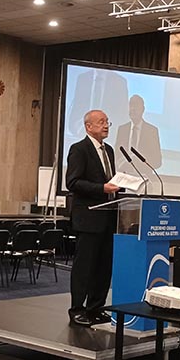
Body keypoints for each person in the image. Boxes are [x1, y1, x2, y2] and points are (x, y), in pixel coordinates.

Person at [66, 109, 120, 327]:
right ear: (88, 126)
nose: (106, 125)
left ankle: (96, 307)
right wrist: (102, 188)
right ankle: (77, 309)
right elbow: (73, 182)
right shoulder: (79, 149)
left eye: (107, 122)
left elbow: (108, 180)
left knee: (103, 267)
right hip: (88, 218)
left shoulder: (109, 150)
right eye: (101, 122)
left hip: (108, 217)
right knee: (84, 267)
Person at [115, 94, 162, 173]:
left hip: (144, 175)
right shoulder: (122, 129)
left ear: (143, 109)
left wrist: (141, 163)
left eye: (136, 106)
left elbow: (157, 161)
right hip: (124, 175)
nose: (132, 109)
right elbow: (117, 154)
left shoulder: (152, 131)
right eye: (131, 106)